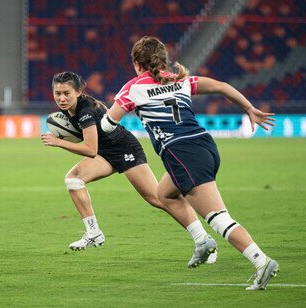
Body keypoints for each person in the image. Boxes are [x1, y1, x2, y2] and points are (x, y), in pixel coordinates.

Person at [102, 36, 278, 291]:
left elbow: (108, 125)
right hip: (204, 145)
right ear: (163, 60)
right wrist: (249, 108)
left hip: (181, 153)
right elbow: (221, 86)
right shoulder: (180, 80)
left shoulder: (133, 87)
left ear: (137, 64)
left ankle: (261, 261)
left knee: (218, 217)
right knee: (164, 193)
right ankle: (201, 241)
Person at [41, 71, 217, 267]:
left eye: (66, 93)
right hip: (105, 153)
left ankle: (203, 239)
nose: (62, 98)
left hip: (125, 150)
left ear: (79, 92)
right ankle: (93, 233)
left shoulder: (85, 111)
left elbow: (90, 150)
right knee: (73, 180)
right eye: (57, 94)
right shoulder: (67, 111)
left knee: (158, 199)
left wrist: (59, 142)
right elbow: (94, 149)